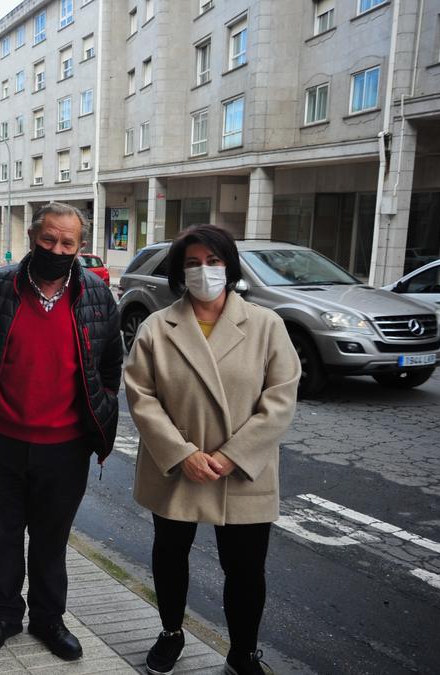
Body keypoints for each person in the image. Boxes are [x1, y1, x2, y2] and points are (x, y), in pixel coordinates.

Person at [0, 203, 121, 658]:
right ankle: (5, 615)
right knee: (0, 535)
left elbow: (109, 367)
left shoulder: (99, 298)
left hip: (64, 448)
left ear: (80, 247)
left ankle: (48, 619)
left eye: (68, 243)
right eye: (49, 240)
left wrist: (98, 418)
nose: (57, 250)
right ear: (32, 237)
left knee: (50, 540)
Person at [125, 224, 299, 675]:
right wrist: (183, 453)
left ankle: (243, 652)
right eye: (193, 263)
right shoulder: (157, 327)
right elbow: (141, 396)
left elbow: (280, 399)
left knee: (245, 570)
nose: (205, 271)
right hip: (176, 466)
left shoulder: (266, 325)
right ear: (180, 272)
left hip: (242, 470)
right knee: (170, 555)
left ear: (230, 266)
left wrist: (232, 455)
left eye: (214, 261)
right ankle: (170, 633)